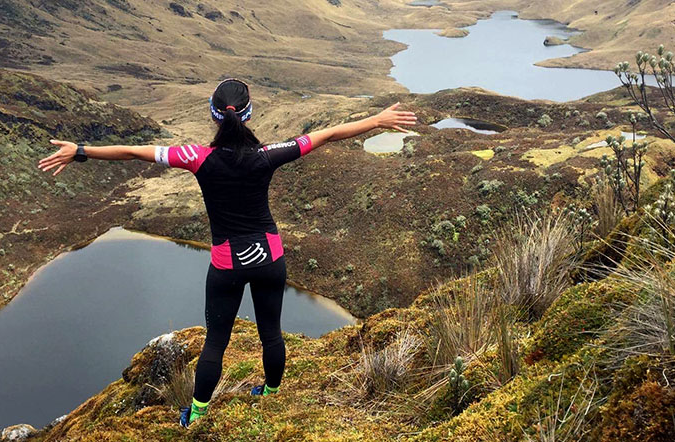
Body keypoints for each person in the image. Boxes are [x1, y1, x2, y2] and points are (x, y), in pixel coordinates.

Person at [37, 79, 417, 428]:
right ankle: (270, 394)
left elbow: (135, 153)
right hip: (269, 256)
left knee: (216, 341)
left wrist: (81, 151)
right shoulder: (269, 154)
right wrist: (378, 120)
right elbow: (330, 134)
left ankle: (198, 414)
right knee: (271, 333)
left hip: (227, 262)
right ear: (249, 114)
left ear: (214, 114)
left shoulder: (197, 157)